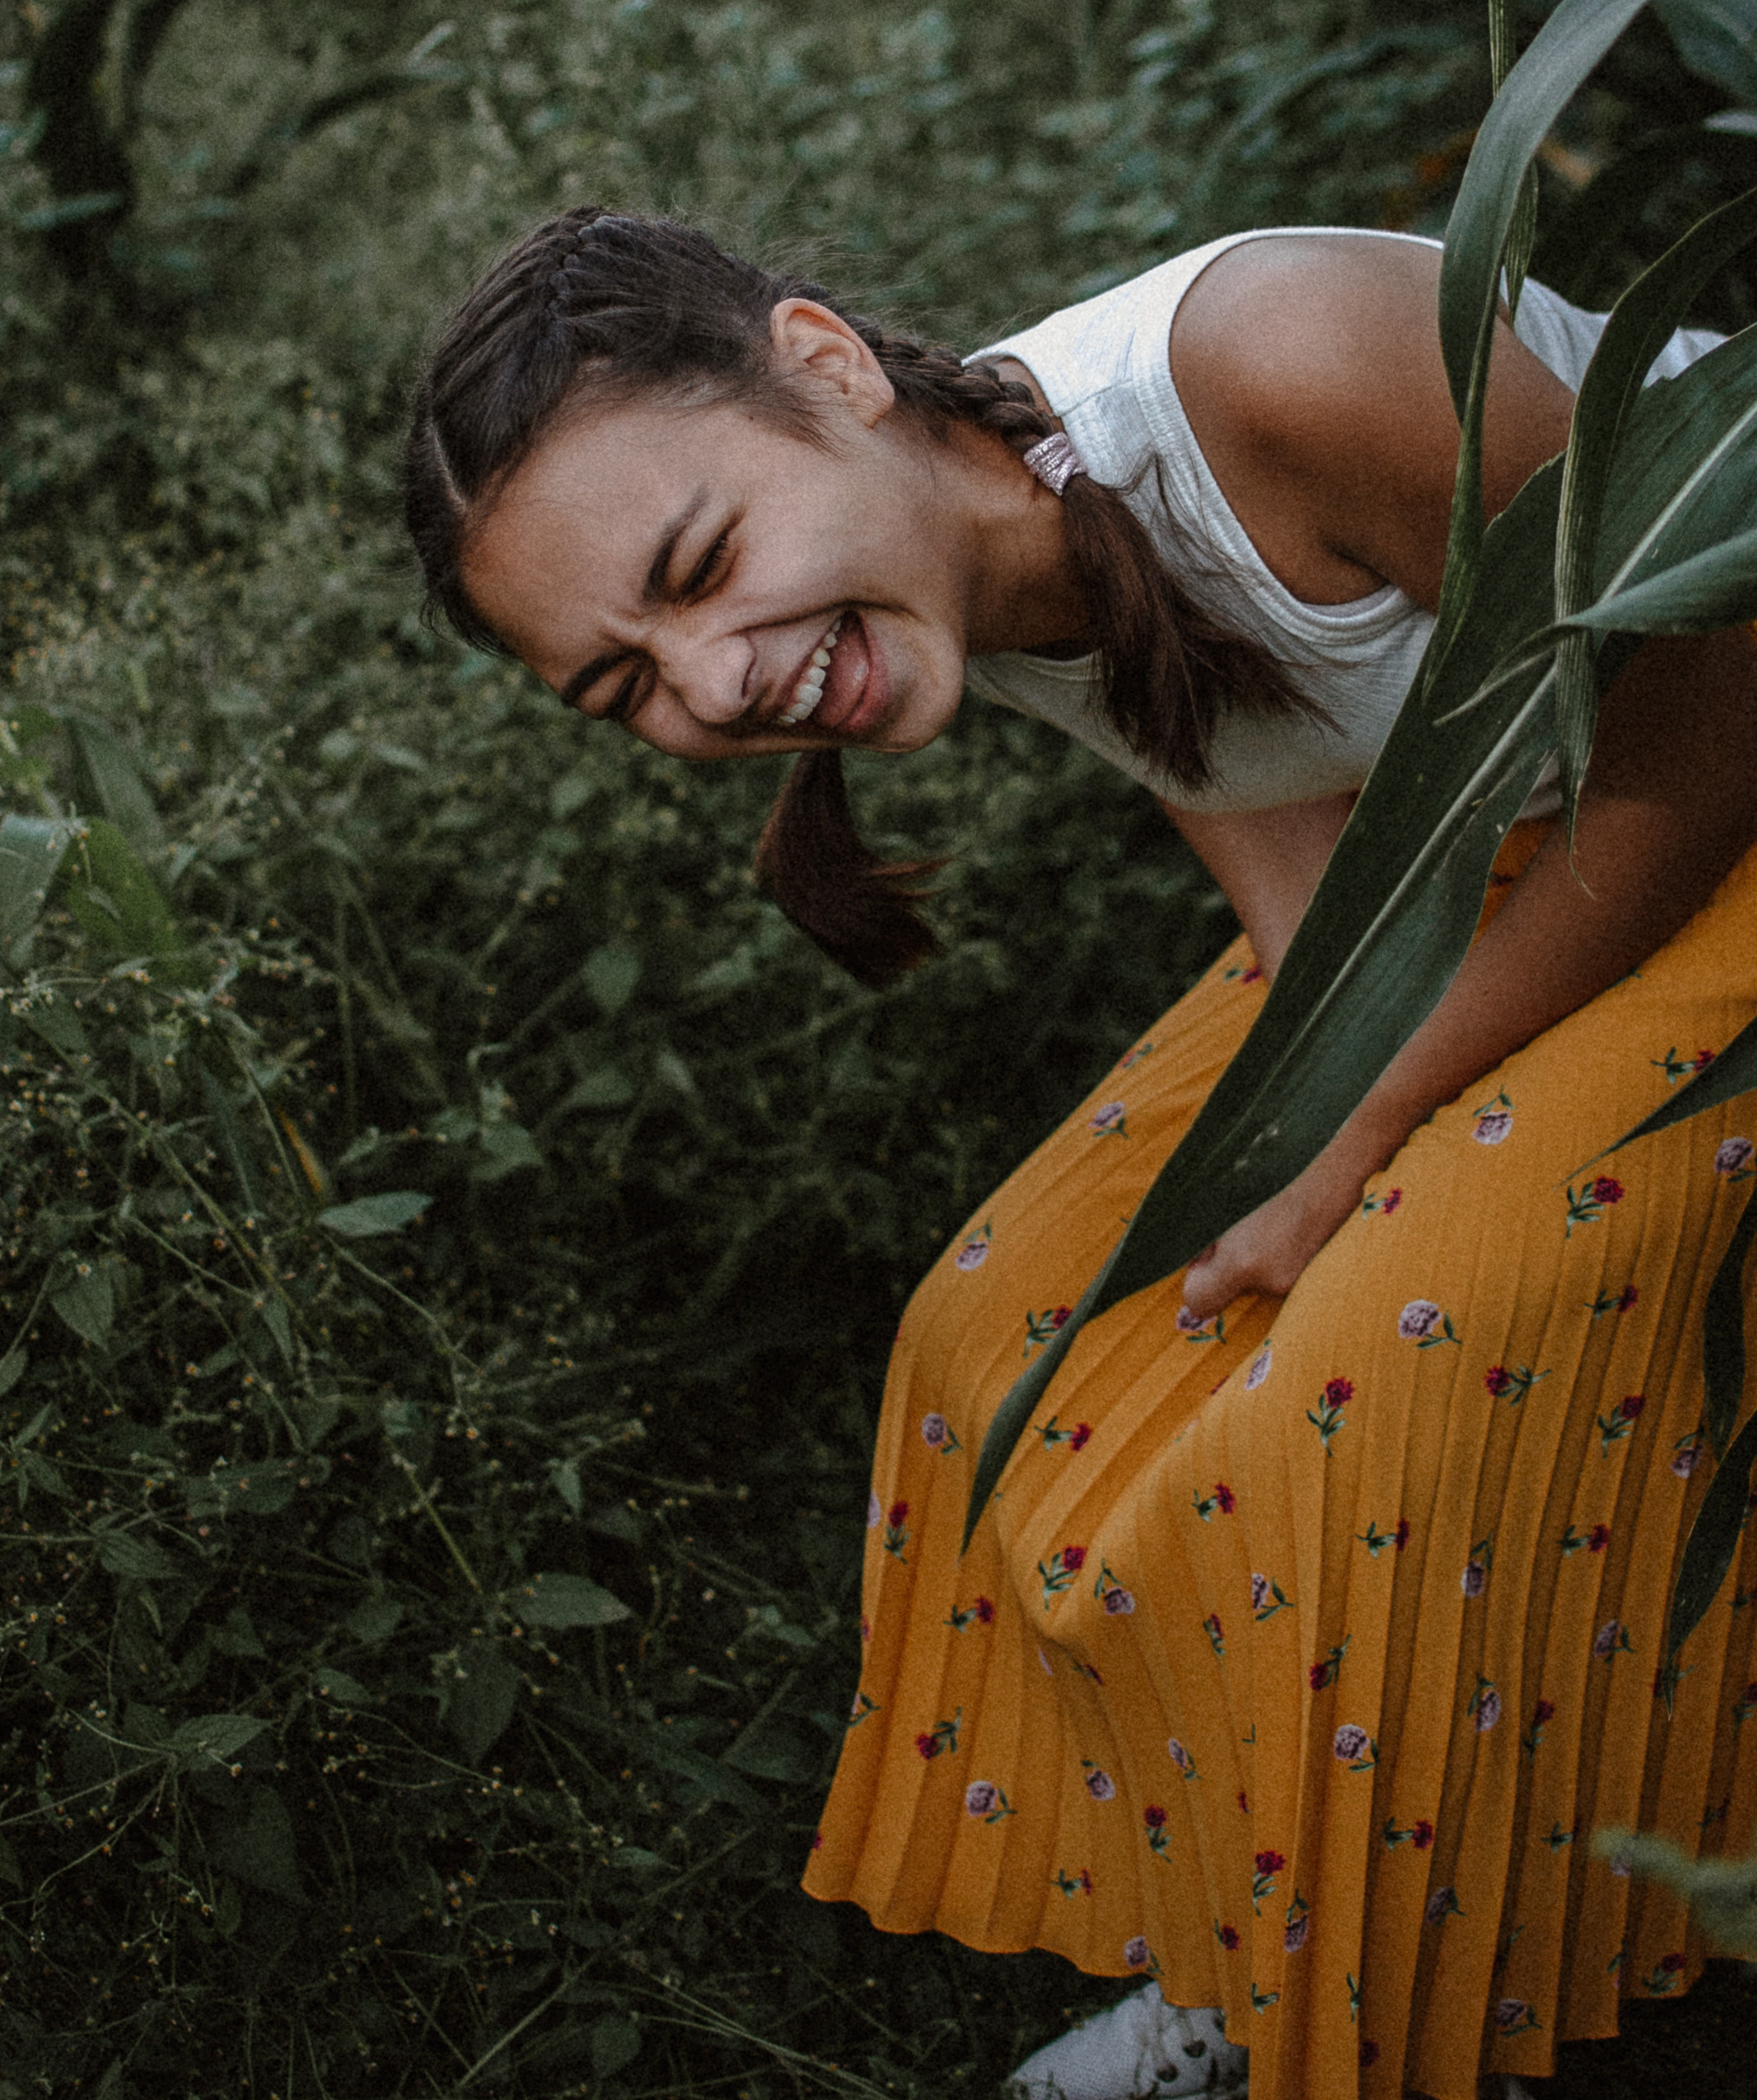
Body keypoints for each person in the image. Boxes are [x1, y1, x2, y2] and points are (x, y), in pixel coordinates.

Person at [404, 206, 1757, 2100]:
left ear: (827, 364)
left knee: (1370, 1366)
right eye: (623, 684)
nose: (708, 687)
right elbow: (1297, 845)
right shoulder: (967, 567)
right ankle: (1263, 1922)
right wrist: (1324, 1133)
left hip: (1720, 776)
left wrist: (1369, 1132)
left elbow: (1714, 700)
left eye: (699, 564)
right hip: (1527, 843)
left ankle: (1487, 1922)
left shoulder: (1275, 366)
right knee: (1005, 1344)